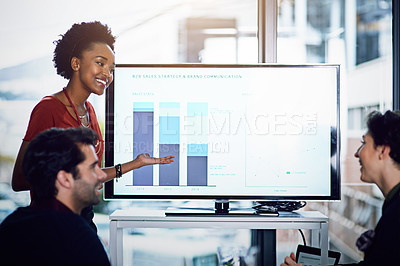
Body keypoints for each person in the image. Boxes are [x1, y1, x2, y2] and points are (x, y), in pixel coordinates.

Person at [11, 21, 174, 230]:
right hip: (53, 224)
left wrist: (136, 163)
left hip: (83, 222)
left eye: (111, 68)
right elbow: (20, 180)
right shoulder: (48, 109)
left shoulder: (90, 111)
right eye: (100, 63)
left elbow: (92, 176)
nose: (107, 74)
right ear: (76, 64)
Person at [281, 110, 400, 266]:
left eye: (364, 143)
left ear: (383, 150)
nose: (357, 153)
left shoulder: (396, 214)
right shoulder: (393, 205)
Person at [0, 127, 110, 265]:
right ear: (64, 179)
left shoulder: (10, 227)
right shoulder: (80, 239)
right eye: (93, 167)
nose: (102, 175)